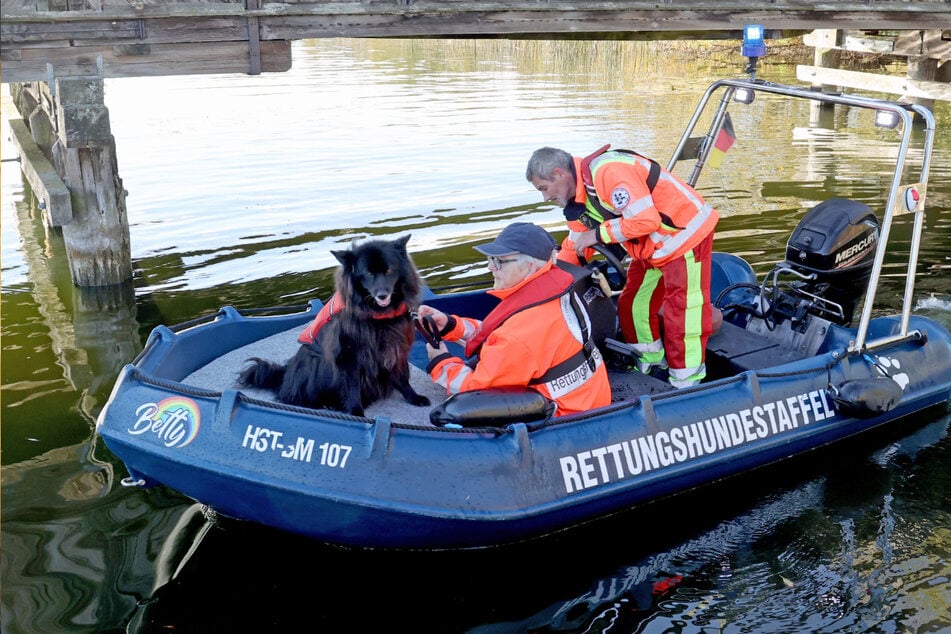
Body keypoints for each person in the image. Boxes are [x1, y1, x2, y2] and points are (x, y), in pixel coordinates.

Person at [526, 145, 719, 388]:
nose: (545, 198)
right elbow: (575, 246)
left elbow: (646, 220)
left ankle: (686, 382)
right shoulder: (579, 199)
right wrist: (549, 281)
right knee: (632, 305)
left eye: (544, 188)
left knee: (683, 311)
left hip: (684, 236)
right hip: (651, 248)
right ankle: (649, 363)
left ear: (559, 173)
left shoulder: (608, 172)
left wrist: (598, 234)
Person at [417, 222, 612, 416]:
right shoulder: (559, 292)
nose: (490, 267)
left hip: (565, 416)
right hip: (591, 398)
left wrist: (441, 362)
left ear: (530, 267)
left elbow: (476, 390)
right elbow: (500, 335)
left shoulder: (520, 333)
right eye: (490, 259)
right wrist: (453, 326)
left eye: (499, 261)